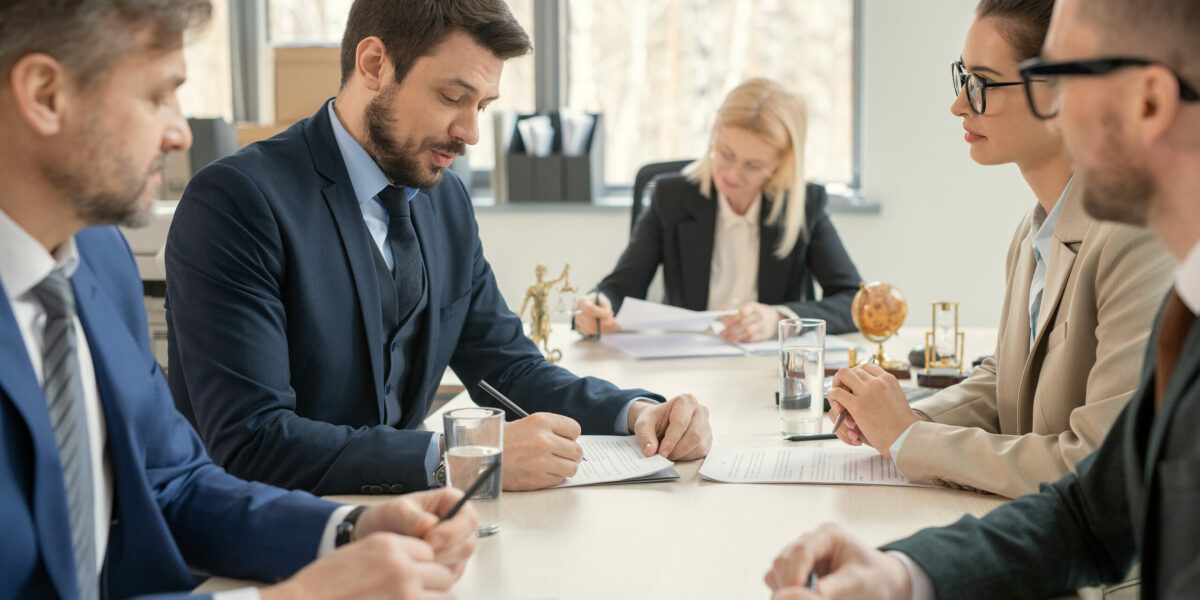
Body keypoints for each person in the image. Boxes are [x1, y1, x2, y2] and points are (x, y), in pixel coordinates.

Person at [0, 1, 478, 598]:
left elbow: (172, 484)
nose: (179, 133)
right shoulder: (238, 197)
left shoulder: (96, 257)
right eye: (157, 96)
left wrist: (352, 528)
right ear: (45, 95)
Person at [165, 0, 713, 496]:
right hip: (273, 540)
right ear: (374, 64)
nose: (471, 132)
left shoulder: (444, 199)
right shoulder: (238, 201)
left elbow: (508, 371)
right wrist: (462, 459)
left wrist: (637, 411)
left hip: (412, 530)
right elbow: (252, 441)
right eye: (453, 97)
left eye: (483, 105)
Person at [766, 0, 1200, 596]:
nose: (1057, 116)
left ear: (1148, 103)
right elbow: (1092, 514)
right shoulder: (1176, 296)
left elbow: (1090, 480)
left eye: (1064, 81)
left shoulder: (1150, 260)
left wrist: (912, 437)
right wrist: (901, 574)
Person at [825, 0, 1172, 499]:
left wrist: (910, 438)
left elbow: (1099, 466)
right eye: (962, 77)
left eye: (983, 82)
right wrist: (904, 418)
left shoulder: (1137, 237)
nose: (960, 104)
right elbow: (1004, 381)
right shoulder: (1031, 234)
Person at [574, 78, 862, 342]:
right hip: (686, 366)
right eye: (725, 154)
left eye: (753, 165)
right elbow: (621, 287)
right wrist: (596, 306)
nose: (733, 175)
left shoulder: (804, 206)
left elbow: (854, 301)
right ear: (714, 136)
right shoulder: (671, 197)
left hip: (766, 371)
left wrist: (779, 318)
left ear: (781, 163)